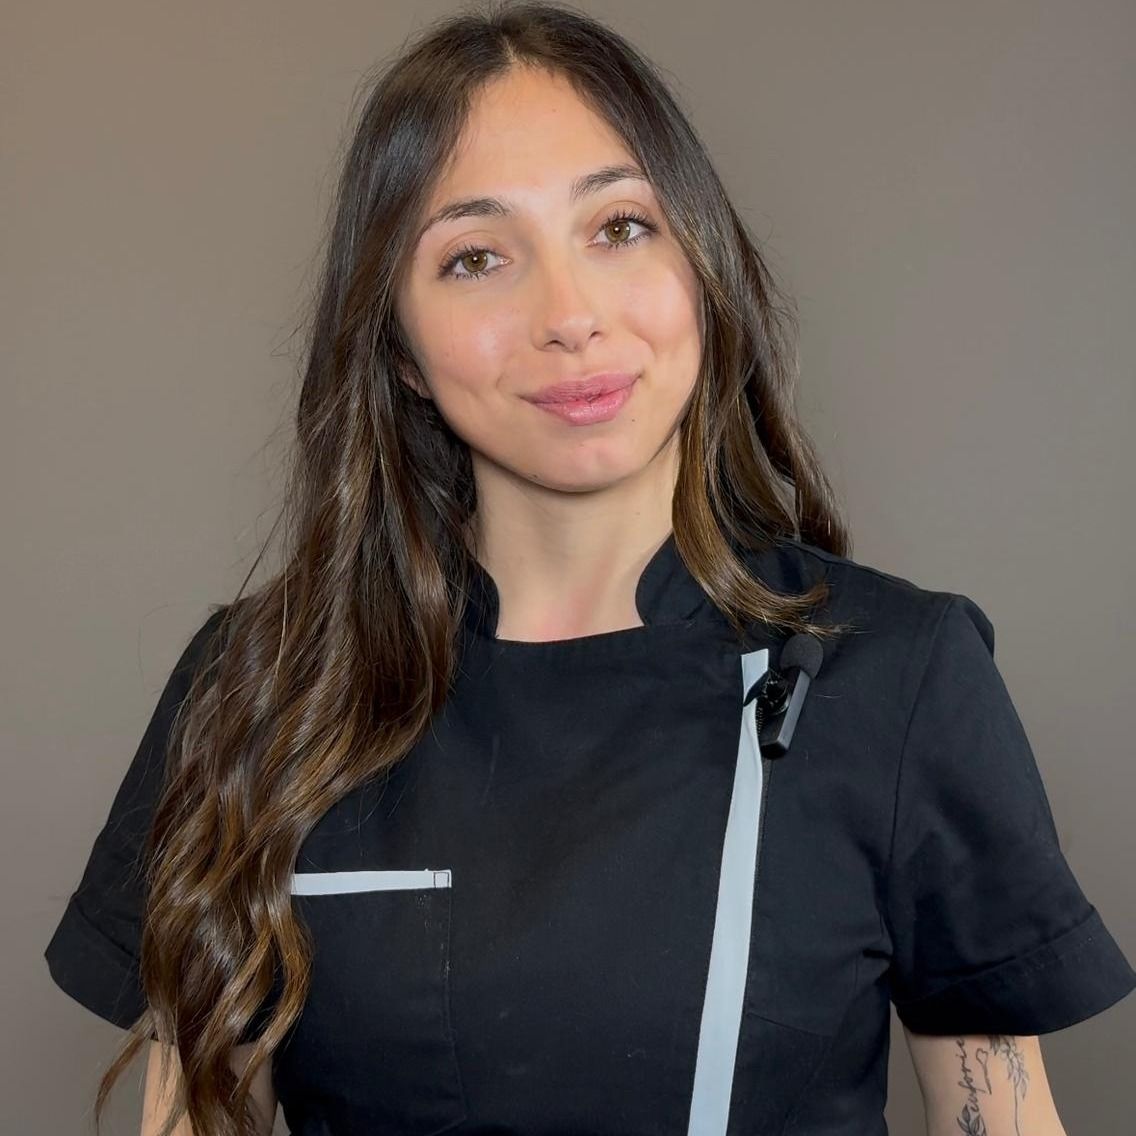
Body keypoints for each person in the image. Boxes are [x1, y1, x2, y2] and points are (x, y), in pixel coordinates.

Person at [44, 3, 1134, 1135]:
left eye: (619, 227)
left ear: (701, 264)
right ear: (399, 348)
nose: (568, 316)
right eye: (475, 257)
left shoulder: (901, 679)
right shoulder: (258, 689)